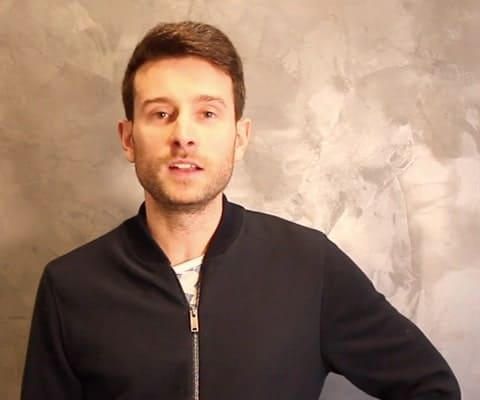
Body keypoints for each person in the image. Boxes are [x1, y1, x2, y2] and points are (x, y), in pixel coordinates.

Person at [21, 21, 461, 400]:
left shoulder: (309, 265)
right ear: (128, 138)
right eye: (161, 114)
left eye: (208, 113)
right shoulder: (70, 287)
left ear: (240, 137)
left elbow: (431, 388)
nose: (184, 135)